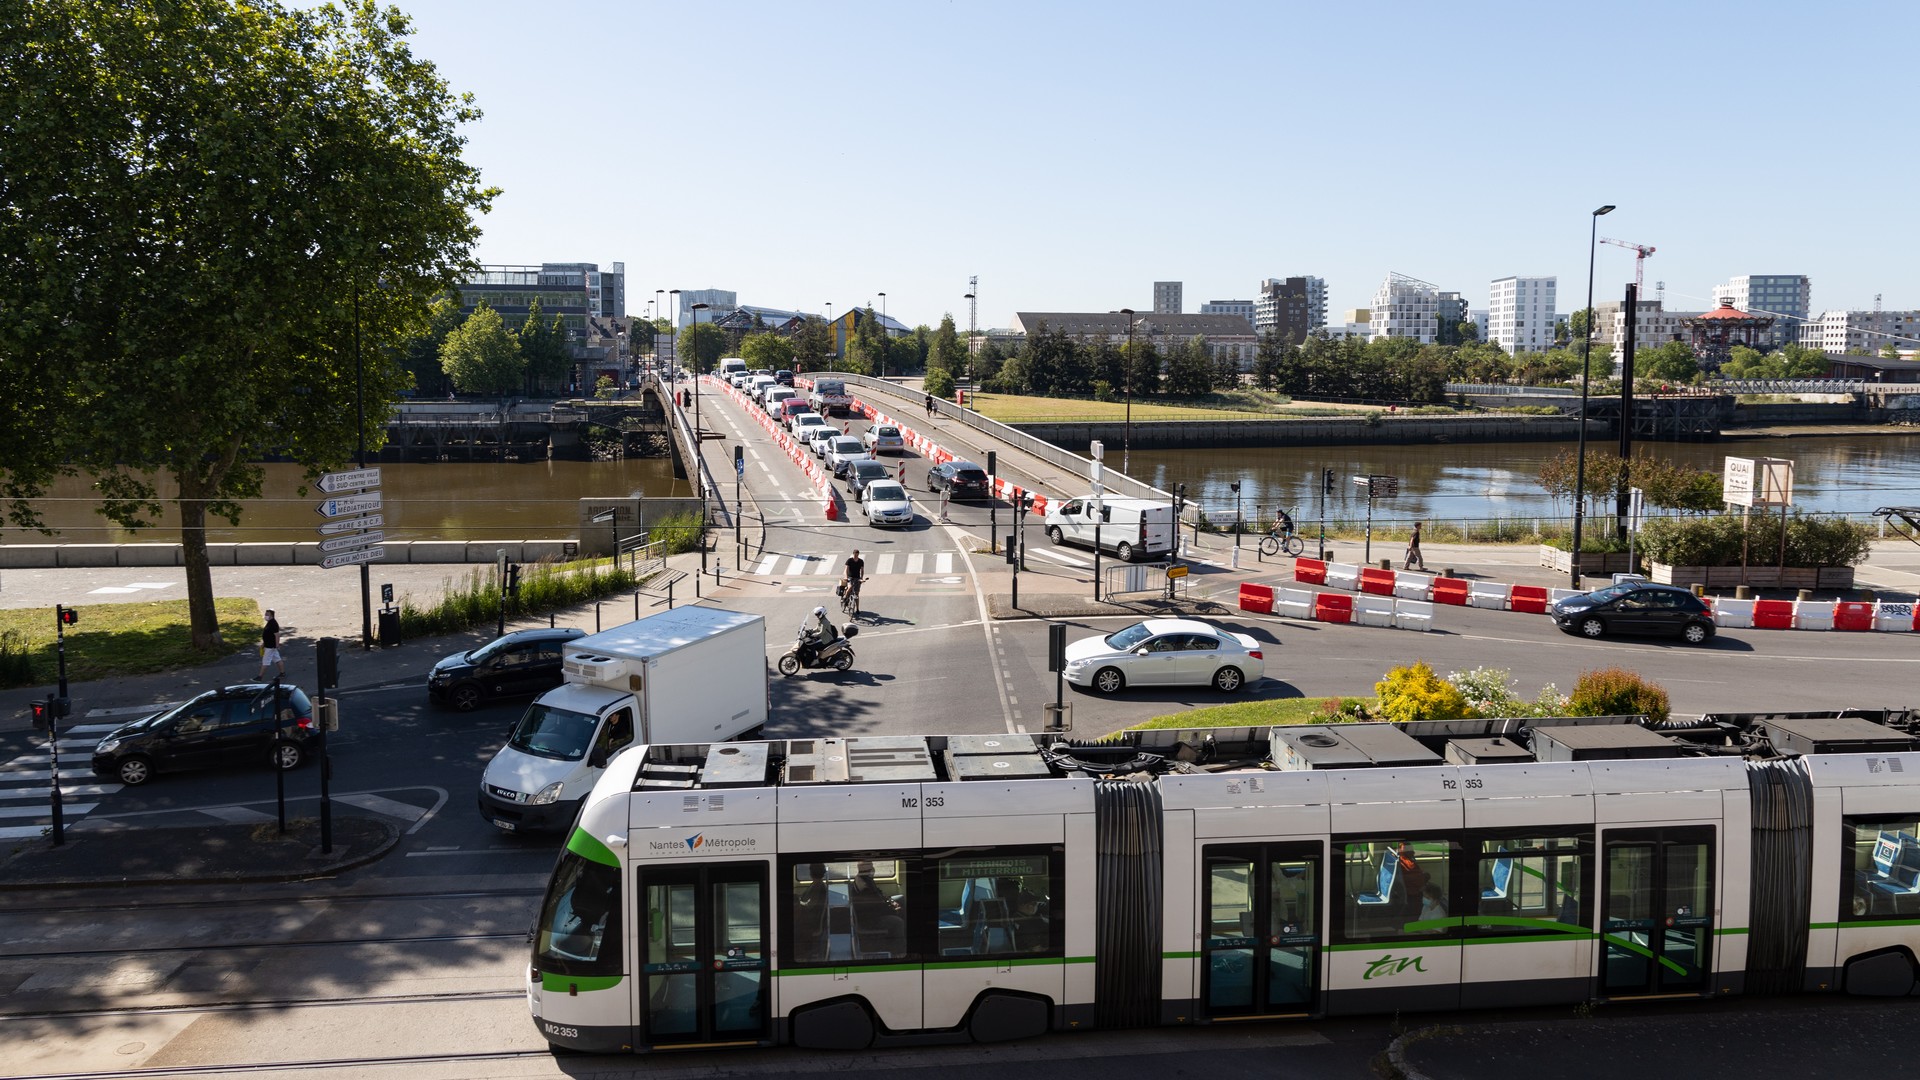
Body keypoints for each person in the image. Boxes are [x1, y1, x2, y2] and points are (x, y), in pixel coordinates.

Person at [257, 609, 284, 680]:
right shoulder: (270, 622)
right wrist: (263, 643)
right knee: (277, 659)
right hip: (269, 645)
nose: (265, 616)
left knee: (266, 661)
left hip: (270, 646)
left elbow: (277, 635)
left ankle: (260, 676)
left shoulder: (273, 624)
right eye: (265, 614)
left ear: (271, 615)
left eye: (267, 615)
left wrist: (277, 645)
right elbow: (268, 635)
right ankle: (282, 673)